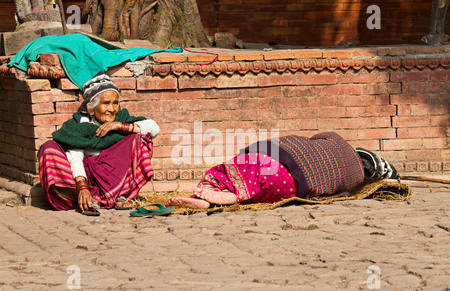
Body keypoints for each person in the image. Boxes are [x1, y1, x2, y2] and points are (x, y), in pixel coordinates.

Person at [166, 132, 399, 209]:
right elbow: (334, 194)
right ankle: (235, 196)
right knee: (263, 187)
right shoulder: (354, 179)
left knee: (235, 168)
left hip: (276, 153)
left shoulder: (335, 139)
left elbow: (313, 139)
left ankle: (211, 189)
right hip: (291, 180)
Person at [38, 73, 160, 214]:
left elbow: (154, 128)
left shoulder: (121, 118)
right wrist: (83, 188)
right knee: (49, 147)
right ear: (91, 108)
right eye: (106, 103)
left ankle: (121, 194)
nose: (112, 109)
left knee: (138, 139)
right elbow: (76, 157)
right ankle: (83, 197)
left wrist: (120, 126)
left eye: (115, 103)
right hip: (84, 177)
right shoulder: (79, 125)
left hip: (111, 174)